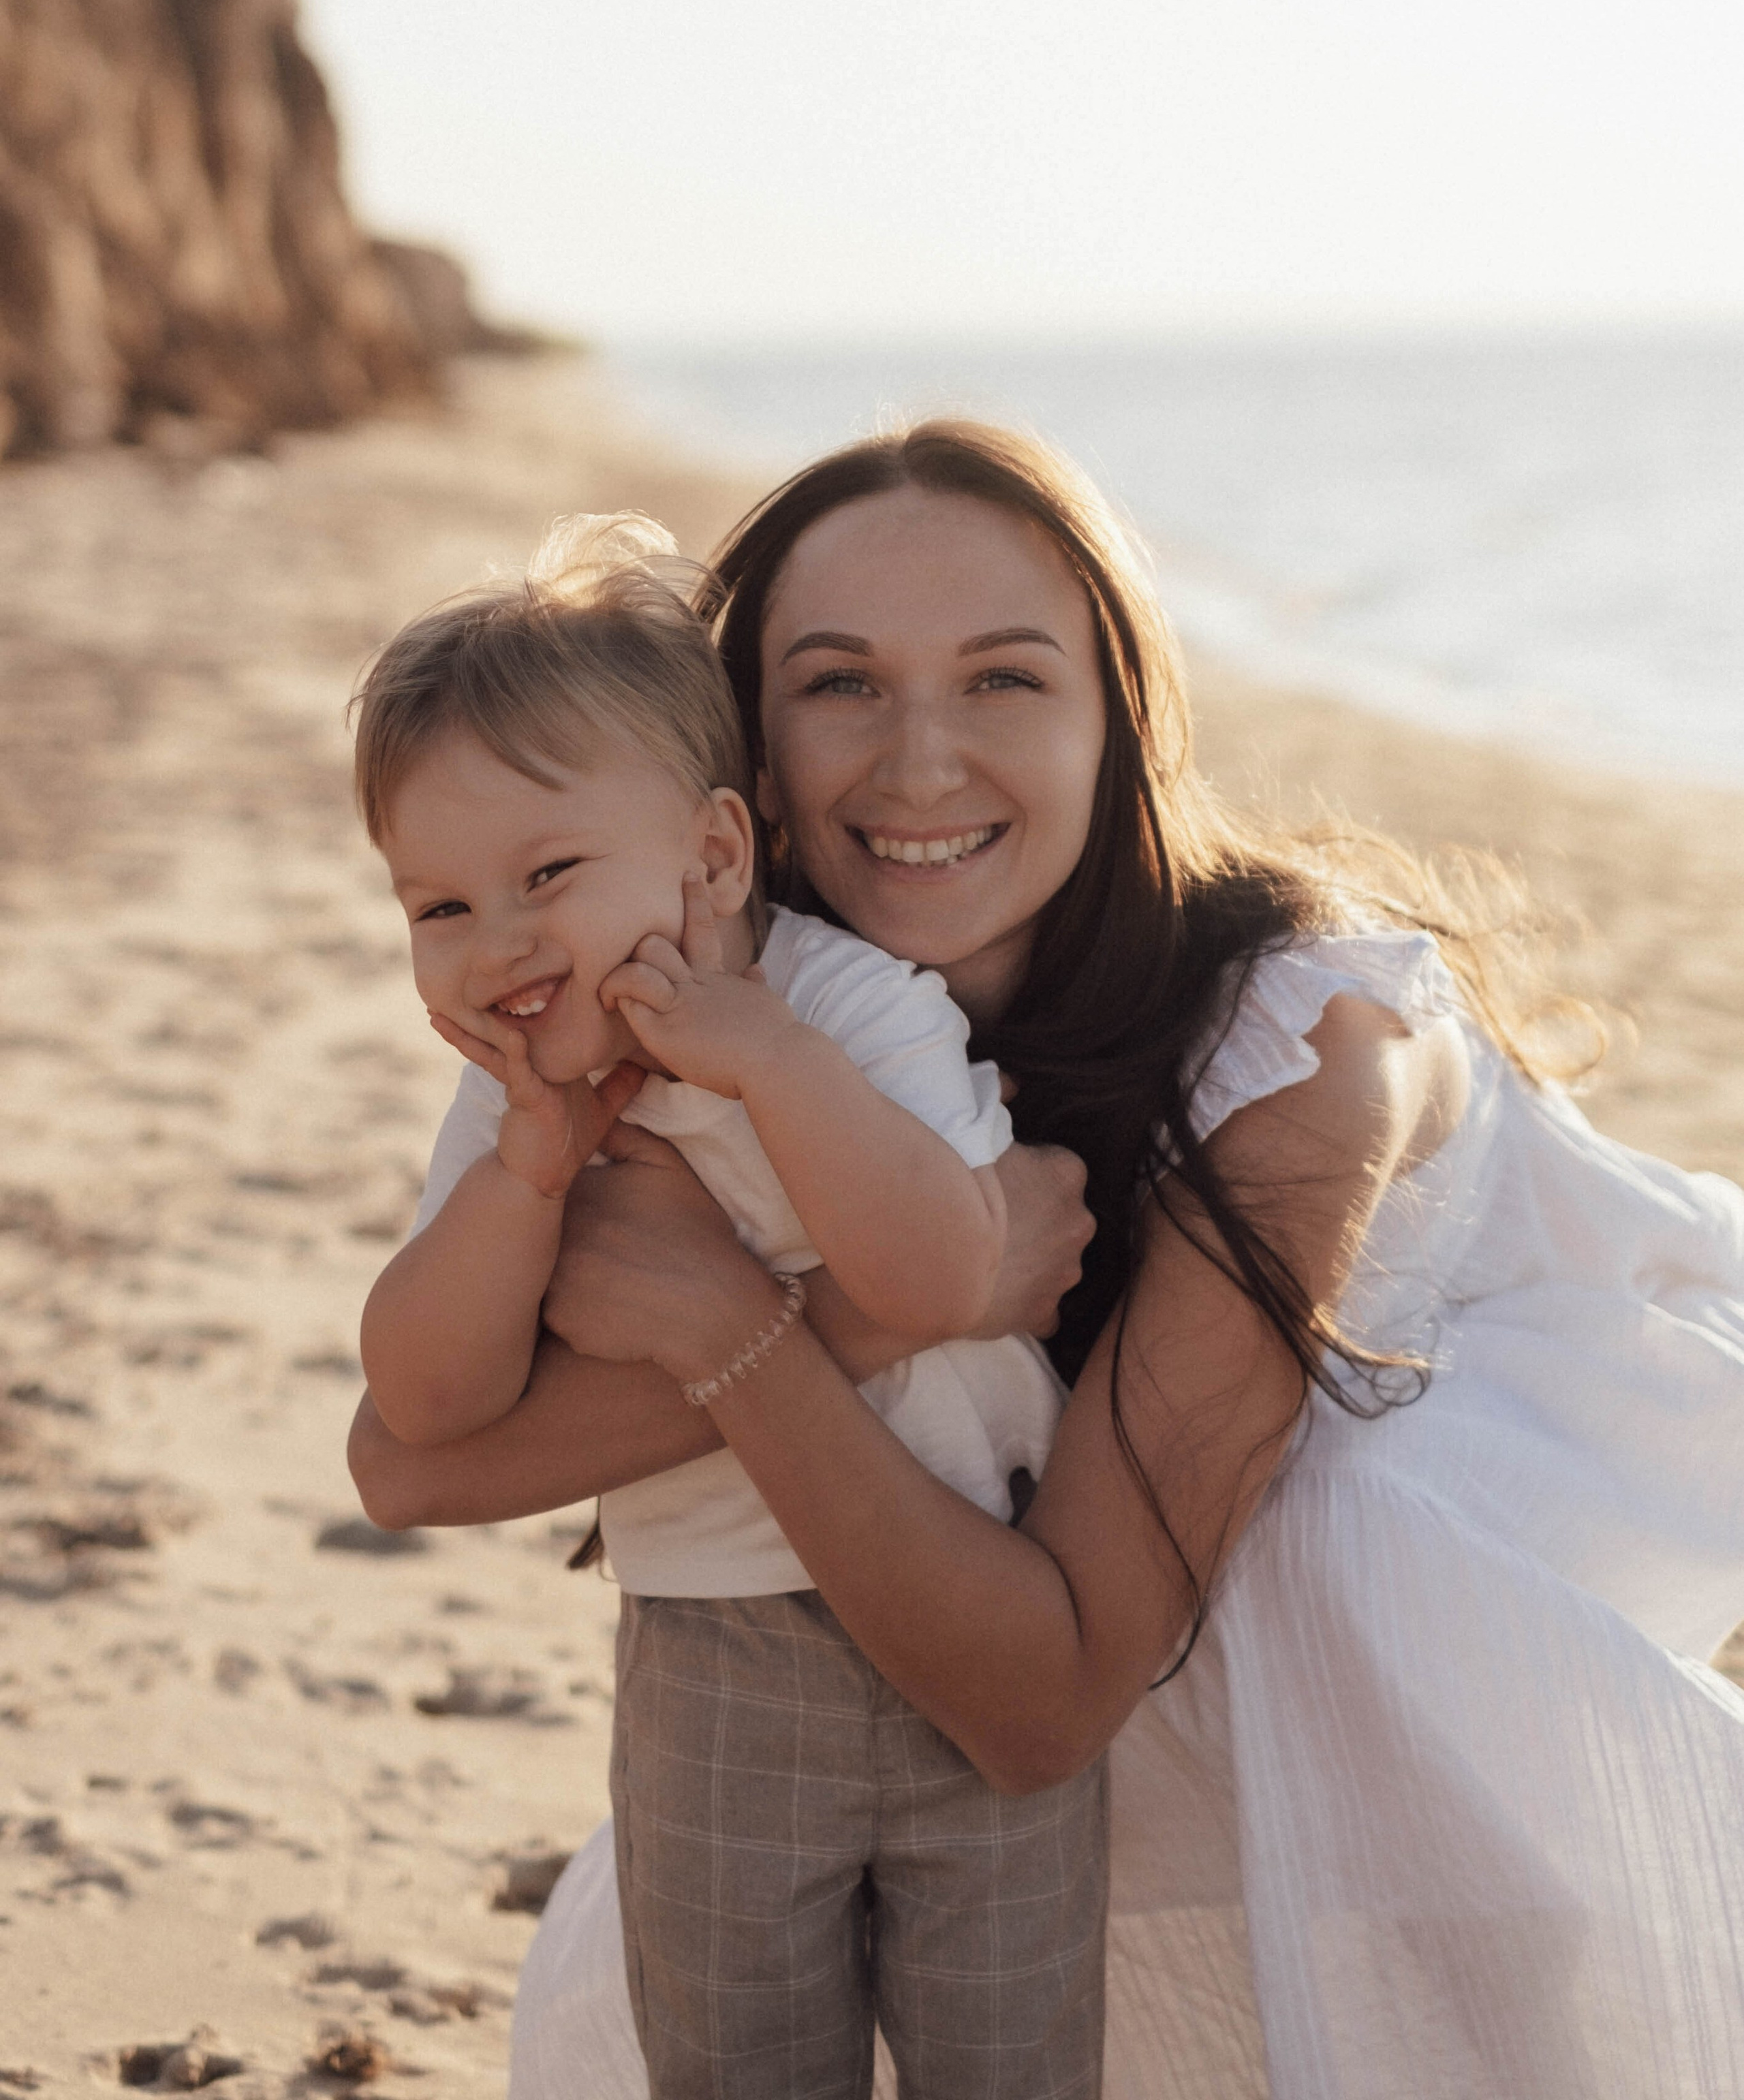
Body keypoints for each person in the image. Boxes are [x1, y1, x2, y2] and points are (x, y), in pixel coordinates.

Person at [350, 422, 1744, 2100]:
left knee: (1329, 1523)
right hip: (973, 1616)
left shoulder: (1304, 1051)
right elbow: (407, 1462)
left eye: (1003, 680)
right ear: (740, 771)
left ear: (1114, 723)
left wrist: (732, 1324)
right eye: (840, 683)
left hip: (1416, 1619)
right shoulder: (707, 1005)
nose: (919, 761)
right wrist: (863, 1314)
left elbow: (1041, 1704)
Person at [349, 512, 1107, 2100]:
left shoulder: (850, 1008)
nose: (498, 947)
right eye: (439, 909)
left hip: (962, 1599)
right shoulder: (517, 1103)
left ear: (708, 857)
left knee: (1008, 2053)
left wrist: (761, 1056)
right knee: (734, 2055)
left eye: (546, 875)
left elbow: (934, 1283)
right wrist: (524, 1182)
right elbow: (423, 1408)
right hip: (709, 1654)